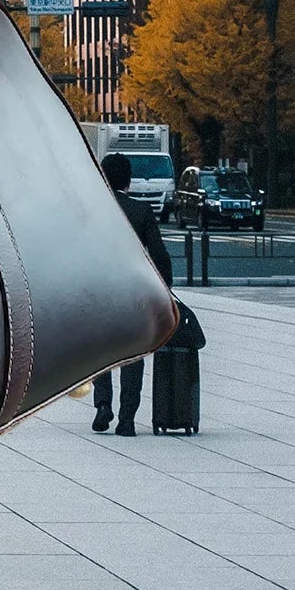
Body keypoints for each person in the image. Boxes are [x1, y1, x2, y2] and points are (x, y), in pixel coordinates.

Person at [96, 150, 173, 435]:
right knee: (133, 355)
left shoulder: (90, 210)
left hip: (101, 293)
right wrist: (166, 287)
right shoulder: (141, 211)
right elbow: (160, 255)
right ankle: (127, 418)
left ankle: (103, 404)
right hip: (135, 294)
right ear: (128, 180)